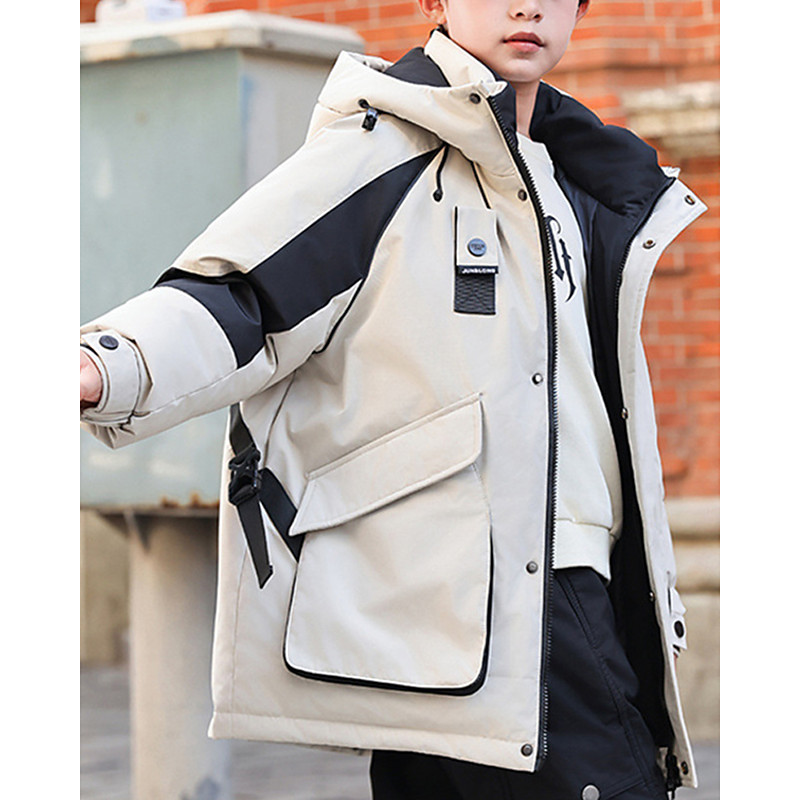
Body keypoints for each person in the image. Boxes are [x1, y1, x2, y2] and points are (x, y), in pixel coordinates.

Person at [80, 0, 706, 797]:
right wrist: (105, 365)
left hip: (568, 585)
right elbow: (243, 295)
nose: (527, 7)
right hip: (471, 604)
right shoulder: (381, 152)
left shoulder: (585, 179)